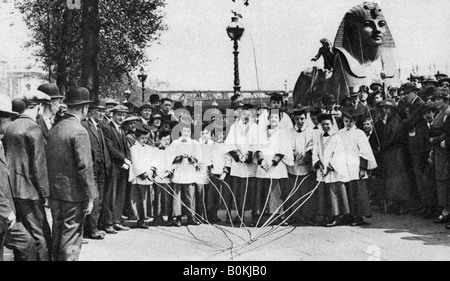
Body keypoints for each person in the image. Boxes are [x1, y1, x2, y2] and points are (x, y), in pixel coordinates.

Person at [46, 87, 97, 261]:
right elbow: (85, 167)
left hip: (55, 192)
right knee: (73, 236)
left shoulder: (54, 130)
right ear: (84, 108)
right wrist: (91, 196)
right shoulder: (79, 131)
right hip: (74, 195)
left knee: (58, 232)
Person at [3, 90, 52, 261]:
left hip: (12, 191)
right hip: (30, 192)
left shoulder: (10, 127)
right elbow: (39, 165)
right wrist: (45, 193)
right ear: (39, 106)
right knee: (41, 237)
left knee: (23, 239)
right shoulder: (34, 128)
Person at [332, 2, 397, 98]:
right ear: (352, 30)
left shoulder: (388, 59)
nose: (377, 29)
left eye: (381, 24)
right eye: (368, 24)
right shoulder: (344, 60)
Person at [0, 94, 37, 261]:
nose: (10, 124)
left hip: (5, 213)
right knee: (26, 243)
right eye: (9, 120)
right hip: (3, 213)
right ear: (1, 120)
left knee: (26, 243)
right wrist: (6, 211)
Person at [254, 110, 294, 227]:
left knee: (277, 192)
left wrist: (272, 162)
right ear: (268, 119)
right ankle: (262, 216)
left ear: (279, 119)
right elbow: (258, 146)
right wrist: (261, 160)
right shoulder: (262, 132)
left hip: (276, 165)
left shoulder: (283, 133)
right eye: (271, 117)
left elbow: (284, 148)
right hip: (263, 165)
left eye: (276, 117)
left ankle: (280, 216)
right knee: (263, 191)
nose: (273, 119)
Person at [340, 108, 377, 226]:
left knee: (357, 192)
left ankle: (358, 216)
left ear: (354, 121)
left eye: (350, 121)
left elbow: (365, 151)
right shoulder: (340, 133)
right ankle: (349, 214)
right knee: (347, 191)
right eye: (346, 121)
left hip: (356, 165)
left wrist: (362, 168)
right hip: (344, 166)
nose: (348, 123)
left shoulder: (359, 133)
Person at [82, 99, 112, 239]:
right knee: (93, 198)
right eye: (99, 111)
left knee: (99, 199)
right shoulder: (84, 126)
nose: (102, 114)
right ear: (91, 111)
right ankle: (91, 229)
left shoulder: (100, 127)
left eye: (103, 111)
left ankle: (94, 227)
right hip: (91, 167)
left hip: (101, 168)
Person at [313, 113, 350, 227]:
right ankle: (327, 216)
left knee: (334, 192)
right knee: (324, 193)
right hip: (322, 169)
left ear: (332, 124)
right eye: (323, 124)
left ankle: (337, 216)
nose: (325, 127)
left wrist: (329, 167)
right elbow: (315, 152)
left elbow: (339, 154)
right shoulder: (318, 137)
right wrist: (318, 163)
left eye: (328, 124)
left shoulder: (337, 137)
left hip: (333, 170)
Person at [224, 104, 259, 226]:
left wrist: (248, 155)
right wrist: (238, 156)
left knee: (252, 191)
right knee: (239, 192)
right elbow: (229, 143)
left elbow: (256, 143)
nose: (246, 115)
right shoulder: (234, 127)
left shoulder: (255, 127)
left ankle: (254, 216)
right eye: (244, 113)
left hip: (250, 164)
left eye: (249, 113)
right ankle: (239, 215)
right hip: (238, 164)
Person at [164, 123, 202, 226]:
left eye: (188, 131)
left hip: (189, 172)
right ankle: (178, 217)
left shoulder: (195, 143)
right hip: (178, 171)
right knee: (178, 196)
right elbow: (169, 157)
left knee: (189, 195)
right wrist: (179, 157)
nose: (186, 133)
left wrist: (191, 158)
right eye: (184, 131)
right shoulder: (175, 143)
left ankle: (191, 217)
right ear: (181, 131)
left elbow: (199, 158)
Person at [379, 99, 412, 215]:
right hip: (392, 151)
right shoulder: (390, 119)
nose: (385, 110)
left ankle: (402, 204)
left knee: (398, 179)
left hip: (396, 152)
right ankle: (396, 203)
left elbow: (392, 136)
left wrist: (382, 147)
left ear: (392, 109)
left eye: (387, 108)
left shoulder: (395, 120)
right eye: (384, 108)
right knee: (393, 180)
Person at [102, 105, 132, 232]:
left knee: (121, 194)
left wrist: (128, 160)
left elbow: (126, 148)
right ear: (113, 115)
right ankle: (108, 223)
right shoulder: (107, 128)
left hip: (123, 167)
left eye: (123, 115)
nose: (121, 117)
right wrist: (124, 158)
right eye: (119, 115)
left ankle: (117, 220)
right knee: (111, 195)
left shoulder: (122, 131)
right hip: (113, 166)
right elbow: (110, 148)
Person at [287, 107, 316, 224]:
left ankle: (307, 216)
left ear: (305, 118)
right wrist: (295, 155)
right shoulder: (289, 131)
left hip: (305, 166)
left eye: (302, 119)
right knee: (293, 191)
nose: (300, 121)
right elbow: (287, 145)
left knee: (305, 191)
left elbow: (312, 145)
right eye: (297, 119)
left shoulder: (310, 131)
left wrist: (306, 158)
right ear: (294, 118)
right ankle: (295, 215)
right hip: (293, 166)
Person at [429, 88, 450, 225]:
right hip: (439, 151)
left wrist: (436, 140)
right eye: (435, 99)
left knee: (446, 179)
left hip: (446, 150)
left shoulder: (448, 113)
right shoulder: (439, 113)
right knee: (441, 180)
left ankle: (447, 211)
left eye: (439, 99)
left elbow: (447, 132)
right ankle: (445, 209)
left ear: (446, 100)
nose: (436, 102)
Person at [129, 122, 155, 229]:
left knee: (147, 198)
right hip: (139, 177)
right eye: (143, 138)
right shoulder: (134, 148)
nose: (144, 140)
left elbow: (153, 159)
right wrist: (142, 173)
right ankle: (140, 219)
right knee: (139, 198)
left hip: (148, 176)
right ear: (137, 137)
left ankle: (145, 217)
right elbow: (135, 162)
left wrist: (152, 170)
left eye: (146, 138)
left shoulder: (149, 148)